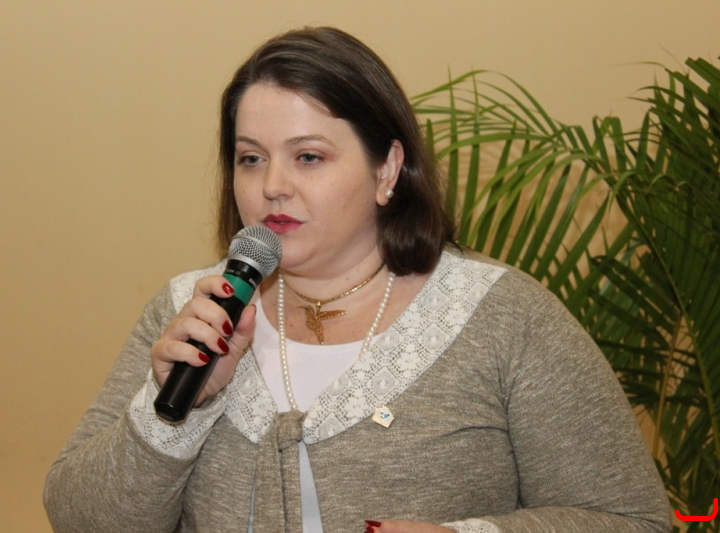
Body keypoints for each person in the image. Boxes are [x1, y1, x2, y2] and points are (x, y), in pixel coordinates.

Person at [43, 26, 671, 533]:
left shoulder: (505, 319)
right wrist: (171, 412)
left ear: (387, 169)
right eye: (250, 158)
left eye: (308, 156)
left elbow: (633, 521)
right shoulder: (190, 310)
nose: (272, 186)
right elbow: (80, 520)